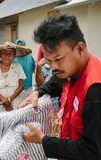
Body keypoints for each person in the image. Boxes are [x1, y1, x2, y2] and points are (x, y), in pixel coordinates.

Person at [19, 14, 101, 159]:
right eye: (49, 61)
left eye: (58, 59)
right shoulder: (71, 70)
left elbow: (92, 151)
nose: (54, 67)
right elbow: (56, 81)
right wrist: (37, 92)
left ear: (80, 49)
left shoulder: (95, 91)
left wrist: (43, 140)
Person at [0, 41, 30, 115]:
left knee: (14, 121)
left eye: (11, 54)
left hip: (14, 101)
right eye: (4, 53)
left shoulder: (18, 66)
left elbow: (21, 86)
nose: (7, 56)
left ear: (14, 55)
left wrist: (9, 99)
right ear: (0, 54)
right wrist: (3, 100)